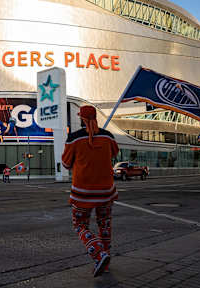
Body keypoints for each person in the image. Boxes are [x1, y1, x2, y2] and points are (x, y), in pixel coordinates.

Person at [62, 105, 119, 277]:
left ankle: (99, 254)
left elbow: (65, 163)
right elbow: (114, 154)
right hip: (106, 191)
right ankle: (105, 263)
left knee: (80, 225)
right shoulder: (108, 136)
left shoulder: (73, 138)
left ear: (81, 119)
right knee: (105, 225)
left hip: (82, 192)